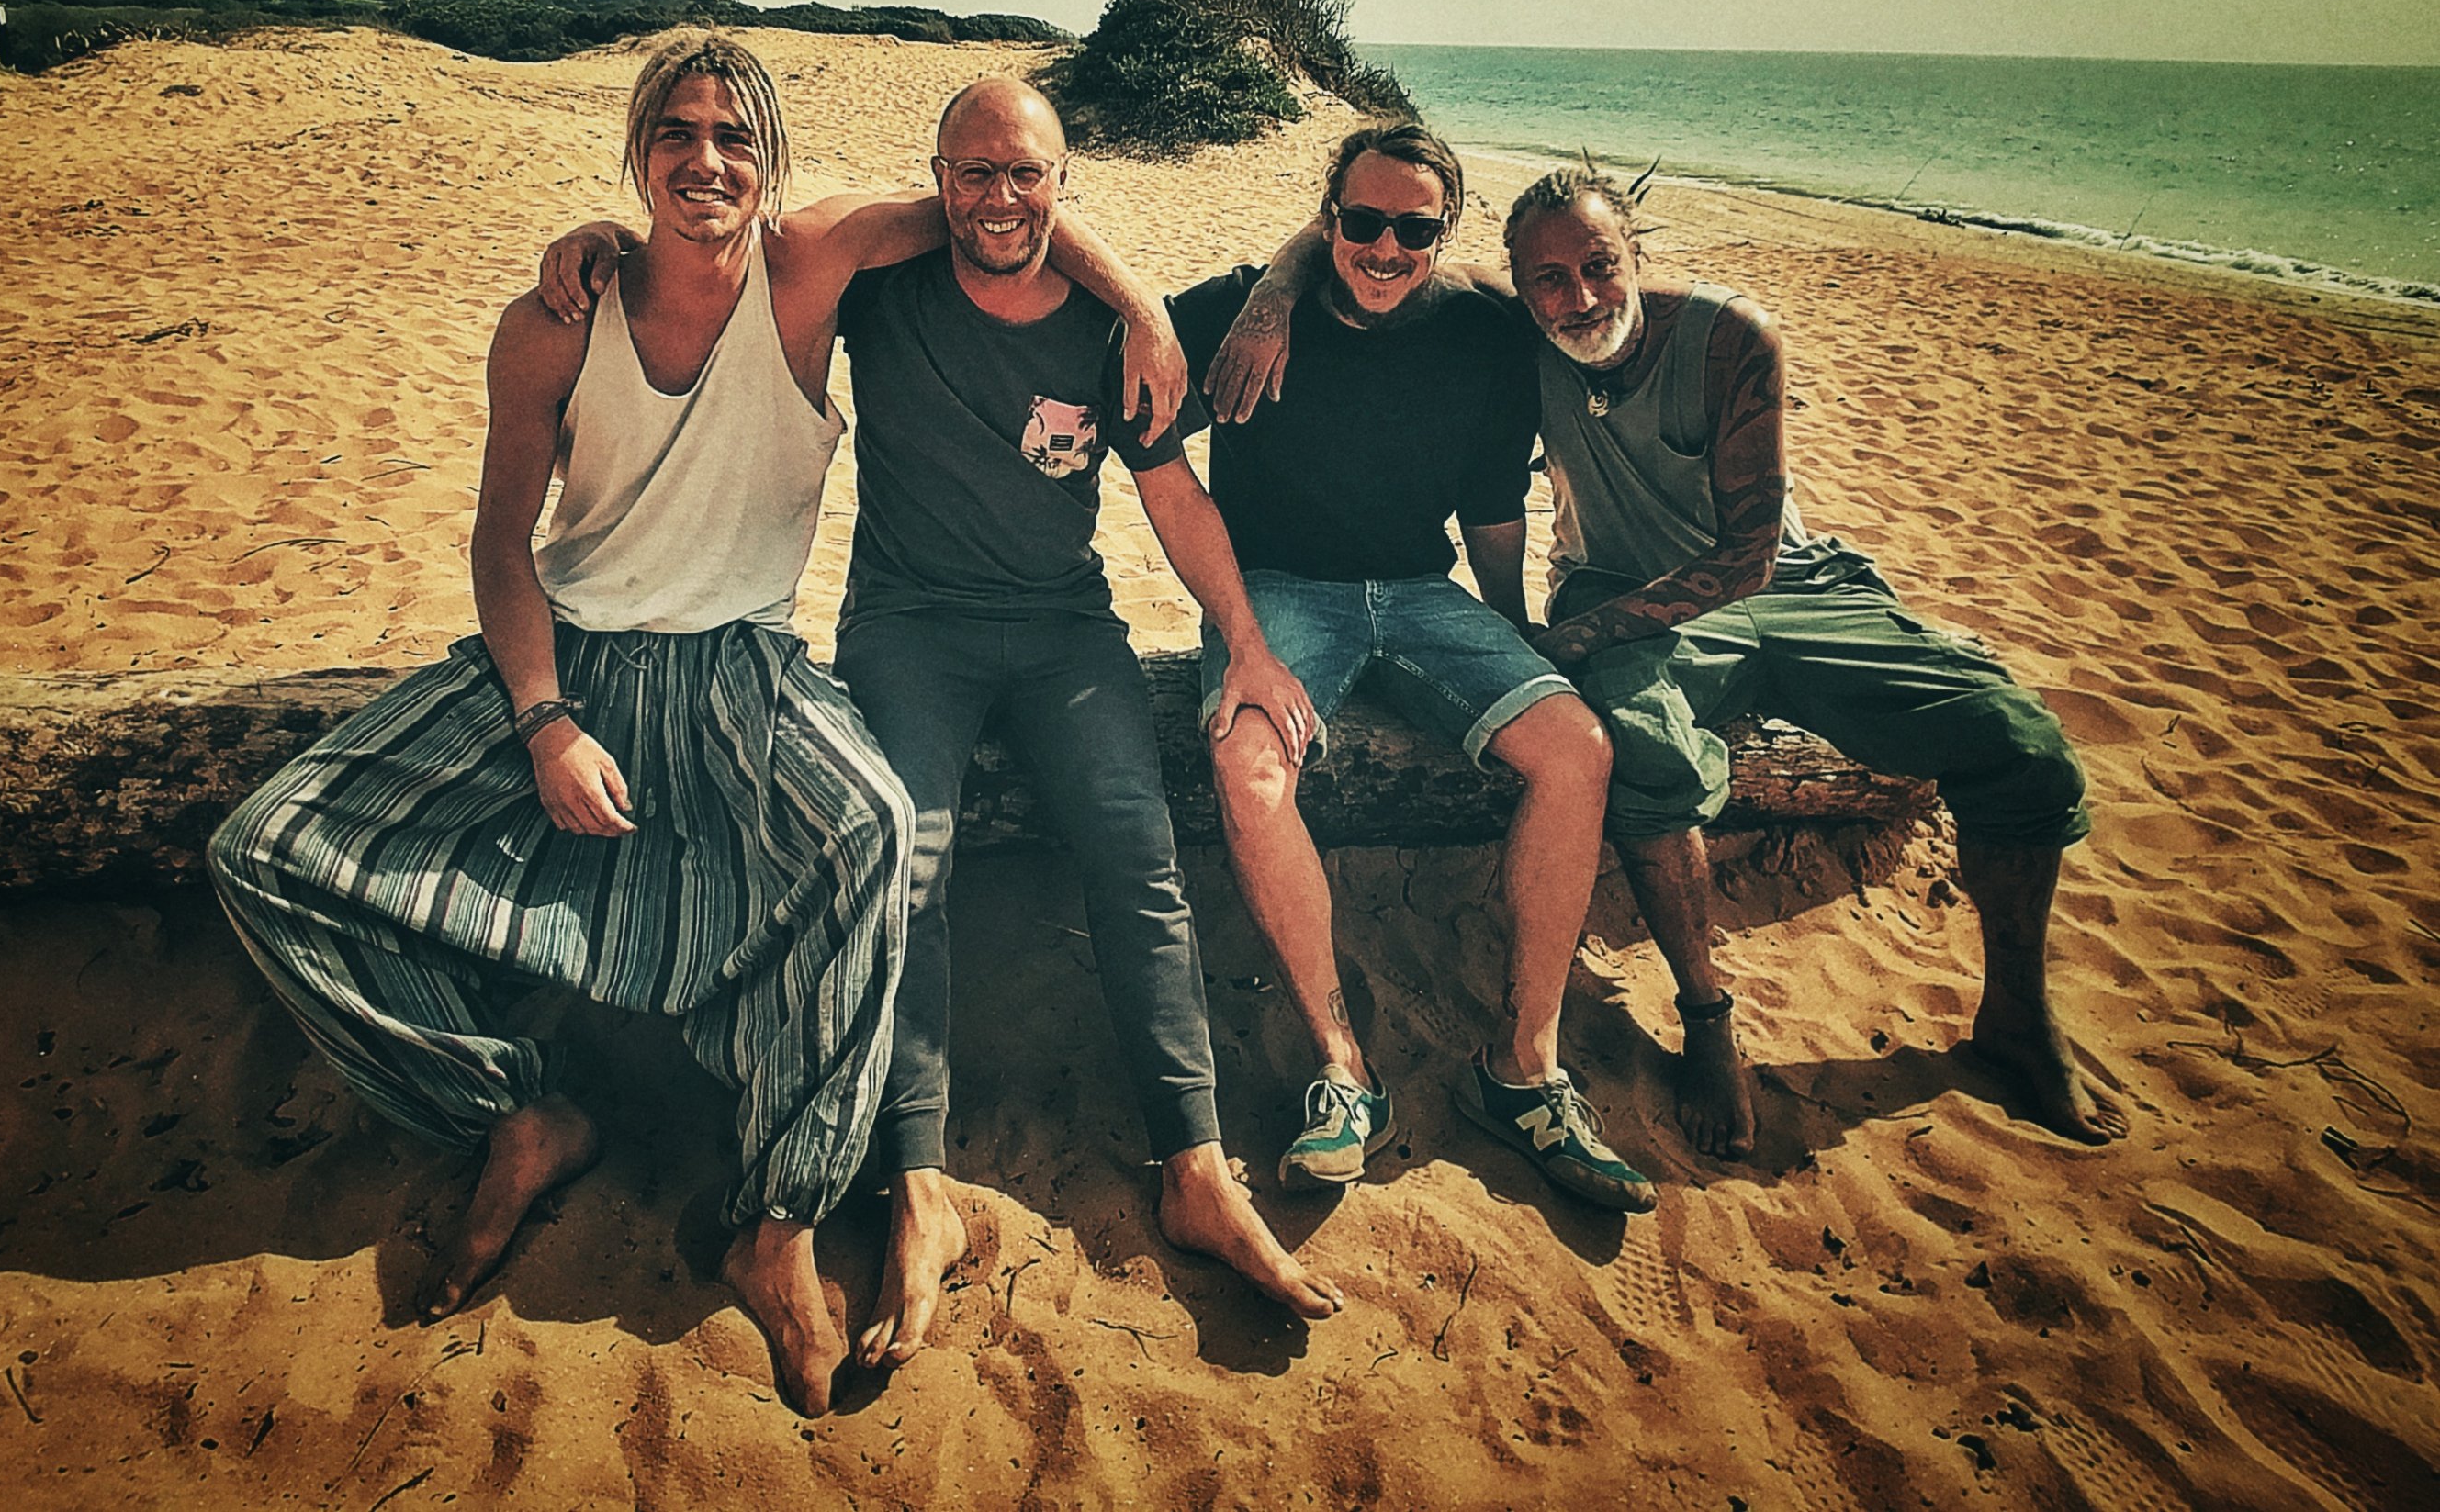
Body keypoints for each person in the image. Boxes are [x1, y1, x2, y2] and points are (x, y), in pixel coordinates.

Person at [210, 34, 1180, 1419]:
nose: (706, 159)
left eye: (734, 136)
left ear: (769, 160)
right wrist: (544, 723)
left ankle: (777, 1220)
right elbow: (500, 546)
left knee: (874, 829)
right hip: (567, 656)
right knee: (264, 850)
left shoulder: (808, 270)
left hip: (738, 661)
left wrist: (1141, 305)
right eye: (676, 133)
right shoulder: (555, 319)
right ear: (637, 150)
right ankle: (512, 1111)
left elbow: (1000, 196)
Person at [540, 75, 1340, 1372]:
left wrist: (1246, 642)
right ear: (938, 181)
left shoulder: (1107, 329)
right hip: (909, 627)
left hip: (1068, 631)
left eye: (1027, 174)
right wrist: (599, 243)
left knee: (1136, 852)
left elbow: (1173, 496)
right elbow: (732, 253)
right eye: (973, 172)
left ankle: (1194, 1165)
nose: (1000, 198)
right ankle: (920, 1179)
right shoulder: (886, 288)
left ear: (1064, 182)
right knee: (908, 860)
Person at [1493, 162, 2125, 1153]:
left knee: (2023, 743)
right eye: (1549, 280)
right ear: (1523, 288)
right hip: (1618, 587)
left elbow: (1750, 556)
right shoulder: (1517, 335)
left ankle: (2017, 1015)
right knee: (1644, 759)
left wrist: (1574, 639)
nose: (1580, 297)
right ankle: (1708, 1020)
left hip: (1788, 584)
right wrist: (1274, 298)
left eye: (1599, 265)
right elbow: (1356, 240)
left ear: (1636, 254)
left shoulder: (1728, 337)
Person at [1173, 126, 1657, 1214]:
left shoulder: (1485, 331)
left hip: (1421, 593)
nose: (1385, 249)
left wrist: (1509, 632)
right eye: (1361, 222)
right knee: (1249, 767)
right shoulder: (1240, 309)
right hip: (1279, 591)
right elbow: (1126, 398)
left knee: (1577, 748)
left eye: (1414, 230)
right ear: (1327, 216)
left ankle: (1523, 1070)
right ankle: (1344, 1069)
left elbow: (1493, 504)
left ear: (1446, 232)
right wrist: (1271, 292)